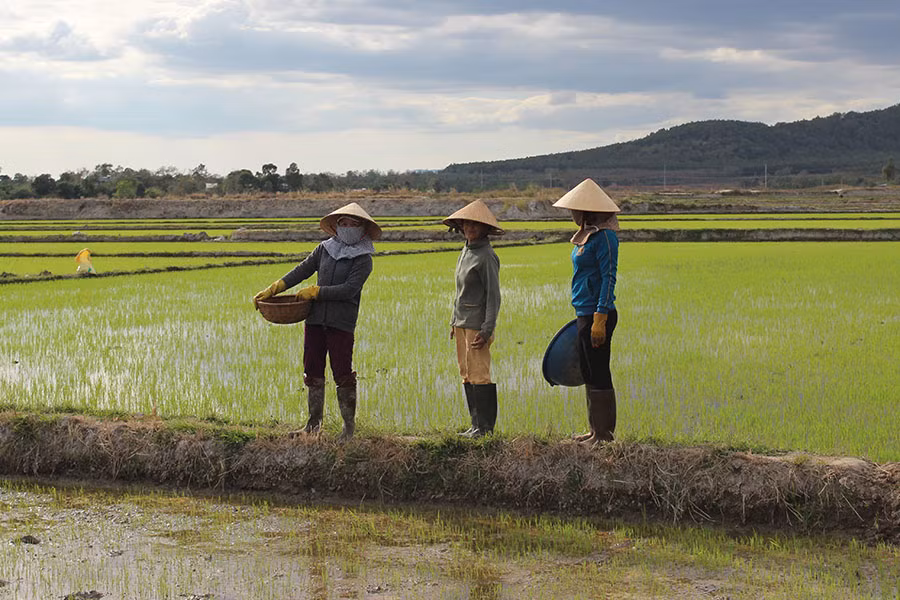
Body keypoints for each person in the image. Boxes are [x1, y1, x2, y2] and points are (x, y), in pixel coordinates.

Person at [253, 202, 381, 440]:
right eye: (344, 223)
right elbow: (302, 270)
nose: (348, 227)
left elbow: (349, 290)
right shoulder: (324, 249)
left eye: (354, 224)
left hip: (341, 323)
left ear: (363, 229)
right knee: (312, 370)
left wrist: (317, 292)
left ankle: (348, 428)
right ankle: (313, 424)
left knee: (342, 372)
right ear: (336, 226)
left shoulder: (363, 259)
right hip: (314, 320)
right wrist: (275, 288)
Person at [552, 179, 620, 444]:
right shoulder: (586, 236)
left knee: (600, 371)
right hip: (583, 311)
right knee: (589, 371)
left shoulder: (605, 238)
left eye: (575, 210)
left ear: (587, 211)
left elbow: (608, 278)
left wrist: (600, 318)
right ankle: (594, 430)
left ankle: (605, 435)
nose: (572, 214)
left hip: (598, 314)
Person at [443, 200, 503, 437]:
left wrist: (487, 329)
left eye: (476, 224)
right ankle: (475, 425)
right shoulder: (466, 250)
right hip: (462, 323)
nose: (470, 227)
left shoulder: (487, 256)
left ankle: (485, 429)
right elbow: (460, 292)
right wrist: (453, 321)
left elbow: (493, 296)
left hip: (477, 325)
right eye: (467, 223)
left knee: (480, 374)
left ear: (485, 228)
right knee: (466, 373)